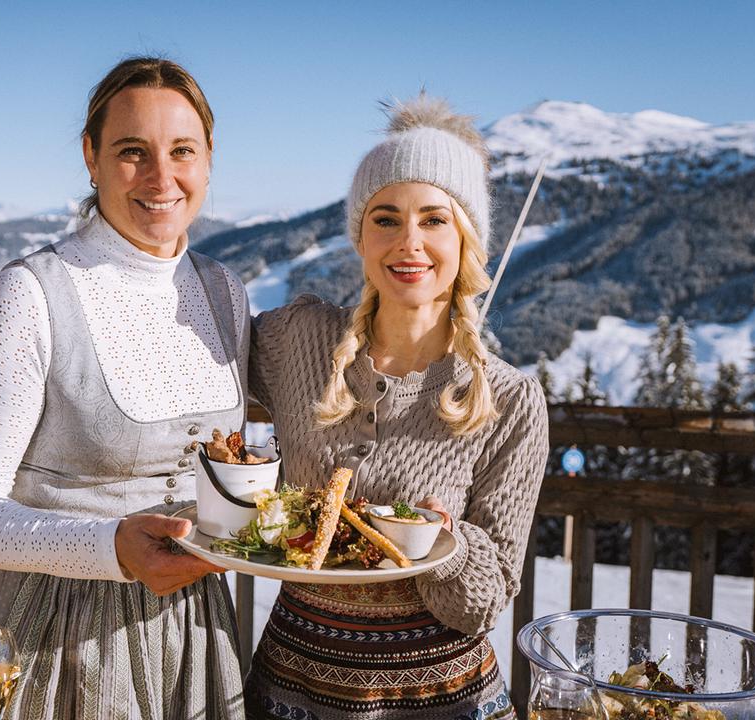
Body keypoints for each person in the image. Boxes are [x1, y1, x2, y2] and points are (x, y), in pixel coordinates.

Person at [0, 57, 247, 719]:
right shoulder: (28, 295)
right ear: (90, 156)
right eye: (133, 152)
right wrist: (108, 548)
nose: (162, 178)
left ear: (209, 158)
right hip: (51, 639)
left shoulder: (222, 291)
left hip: (189, 629)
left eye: (181, 151)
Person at [244, 94, 549, 719]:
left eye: (434, 219)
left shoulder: (510, 399)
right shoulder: (298, 339)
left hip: (443, 700)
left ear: (467, 238)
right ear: (360, 236)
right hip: (293, 689)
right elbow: (188, 370)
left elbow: (485, 604)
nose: (409, 242)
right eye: (386, 218)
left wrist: (449, 545)